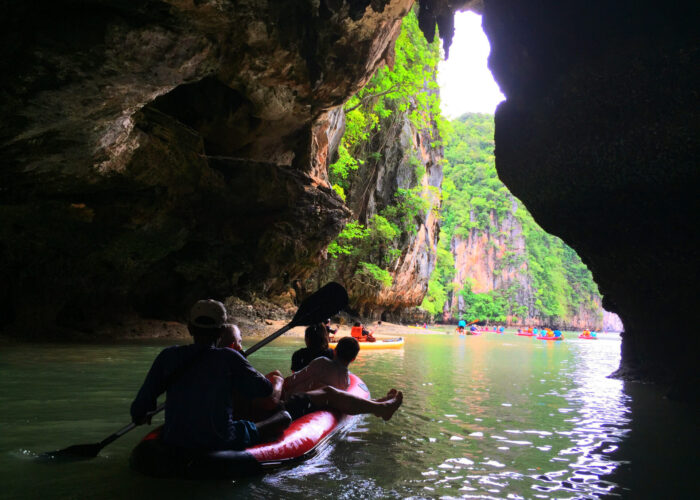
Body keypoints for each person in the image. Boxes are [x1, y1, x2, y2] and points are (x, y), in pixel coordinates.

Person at [130, 299, 291, 451]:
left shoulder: (168, 356)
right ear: (221, 332)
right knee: (283, 417)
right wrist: (243, 363)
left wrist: (142, 414)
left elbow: (139, 410)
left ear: (190, 328)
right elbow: (265, 390)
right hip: (222, 439)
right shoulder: (230, 358)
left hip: (175, 439)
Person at [282, 337, 402, 421]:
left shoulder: (321, 362)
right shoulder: (346, 380)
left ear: (335, 351)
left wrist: (284, 384)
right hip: (310, 404)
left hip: (302, 401)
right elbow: (341, 401)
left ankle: (380, 405)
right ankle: (379, 403)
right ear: (353, 359)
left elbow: (296, 379)